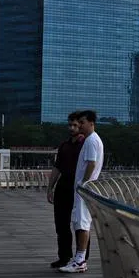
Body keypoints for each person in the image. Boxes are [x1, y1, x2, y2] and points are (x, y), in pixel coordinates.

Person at [59, 110, 104, 274]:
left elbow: (91, 164)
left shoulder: (91, 141)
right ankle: (79, 258)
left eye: (83, 122)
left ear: (91, 123)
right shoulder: (91, 140)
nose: (81, 125)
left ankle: (80, 260)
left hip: (85, 189)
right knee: (79, 222)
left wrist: (83, 183)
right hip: (84, 188)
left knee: (82, 223)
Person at [47, 113, 85, 268]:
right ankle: (64, 256)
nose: (72, 128)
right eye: (70, 125)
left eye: (75, 125)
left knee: (79, 223)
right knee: (61, 224)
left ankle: (80, 257)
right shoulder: (64, 145)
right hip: (63, 186)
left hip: (78, 187)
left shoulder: (86, 144)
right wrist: (50, 188)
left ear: (81, 125)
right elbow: (57, 168)